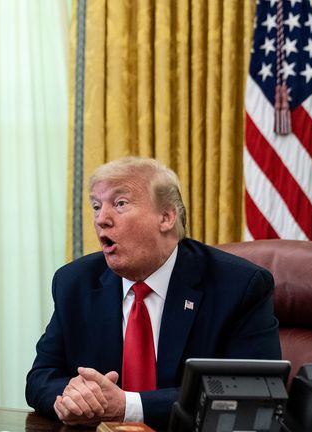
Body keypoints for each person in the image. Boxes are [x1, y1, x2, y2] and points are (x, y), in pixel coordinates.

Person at [25, 156, 281, 430]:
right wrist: (71, 397)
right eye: (96, 206)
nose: (102, 219)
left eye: (120, 203)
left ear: (167, 217)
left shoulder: (238, 285)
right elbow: (41, 377)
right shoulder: (75, 283)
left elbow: (254, 394)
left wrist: (127, 406)